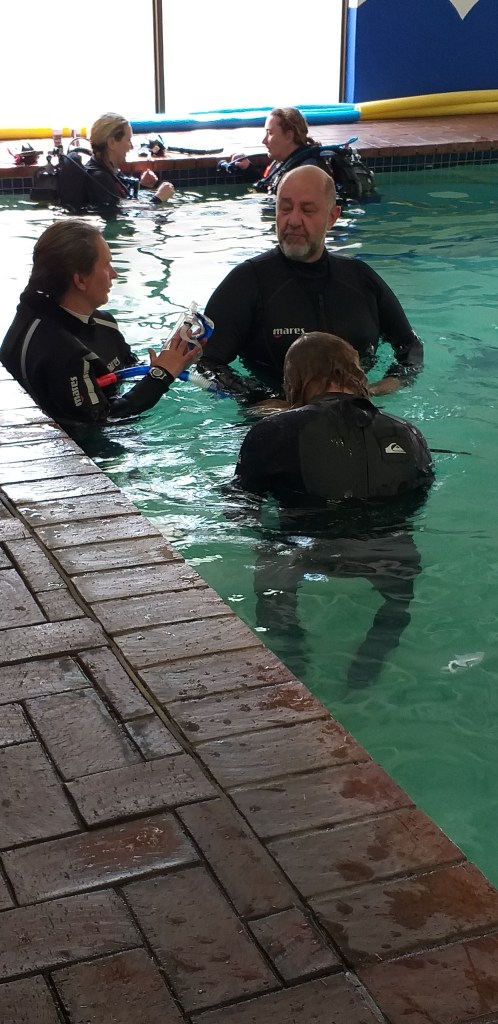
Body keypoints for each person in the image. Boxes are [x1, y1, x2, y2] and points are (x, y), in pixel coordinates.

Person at [227, 332, 434, 687]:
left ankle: (291, 668)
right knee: (397, 597)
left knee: (273, 575)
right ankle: (371, 660)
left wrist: (259, 539)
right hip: (389, 553)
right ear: (357, 374)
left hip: (304, 547)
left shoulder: (273, 429)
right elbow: (418, 499)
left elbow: (242, 504)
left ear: (294, 379)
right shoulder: (408, 433)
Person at [199, 165, 423, 401]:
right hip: (275, 417)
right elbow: (206, 363)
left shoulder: (360, 278)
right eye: (285, 208)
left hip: (358, 412)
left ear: (332, 217)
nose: (294, 220)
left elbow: (411, 347)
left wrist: (387, 385)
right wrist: (259, 400)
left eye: (307, 210)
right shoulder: (246, 282)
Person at [0, 220, 195, 426]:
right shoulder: (59, 351)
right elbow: (101, 420)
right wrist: (162, 375)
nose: (114, 274)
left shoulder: (104, 324)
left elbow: (132, 370)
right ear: (80, 280)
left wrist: (174, 361)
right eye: (106, 265)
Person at [220, 106, 375, 202]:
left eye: (270, 133)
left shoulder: (307, 171)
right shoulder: (285, 162)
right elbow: (269, 184)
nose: (264, 141)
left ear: (289, 136)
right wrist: (248, 168)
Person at [57, 113, 174, 212]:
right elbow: (118, 217)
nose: (131, 146)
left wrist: (142, 186)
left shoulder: (107, 170)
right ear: (112, 143)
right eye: (128, 140)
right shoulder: (101, 178)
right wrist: (158, 199)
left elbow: (121, 201)